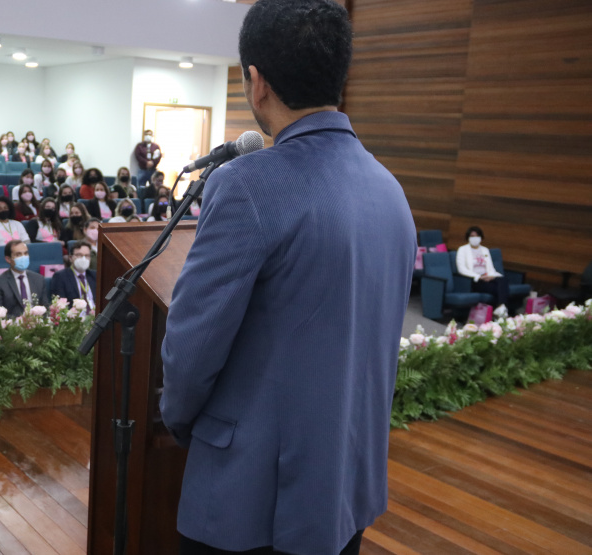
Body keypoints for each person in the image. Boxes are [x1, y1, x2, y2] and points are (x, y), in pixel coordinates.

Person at [160, 2, 416, 554]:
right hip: (347, 487)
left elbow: (191, 346)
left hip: (253, 497)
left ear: (257, 83)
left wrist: (180, 422)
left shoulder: (248, 184)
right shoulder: (390, 190)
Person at [456, 226, 511, 317]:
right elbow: (461, 269)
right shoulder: (462, 250)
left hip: (487, 276)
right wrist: (479, 276)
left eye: (477, 236)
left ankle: (501, 307)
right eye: (472, 236)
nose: (475, 238)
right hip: (475, 279)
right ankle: (502, 308)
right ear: (468, 238)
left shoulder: (485, 249)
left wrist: (491, 276)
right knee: (500, 288)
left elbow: (490, 267)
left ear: (481, 237)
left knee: (503, 280)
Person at [0, 240, 46, 318]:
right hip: (13, 326)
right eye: (18, 255)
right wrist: (19, 320)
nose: (23, 257)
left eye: (25, 253)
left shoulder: (39, 279)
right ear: (8, 259)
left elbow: (45, 307)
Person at [51, 242, 96, 311]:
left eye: (87, 255)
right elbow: (61, 305)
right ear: (70, 258)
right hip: (75, 318)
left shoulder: (95, 275)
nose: (83, 259)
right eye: (79, 255)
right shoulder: (60, 277)